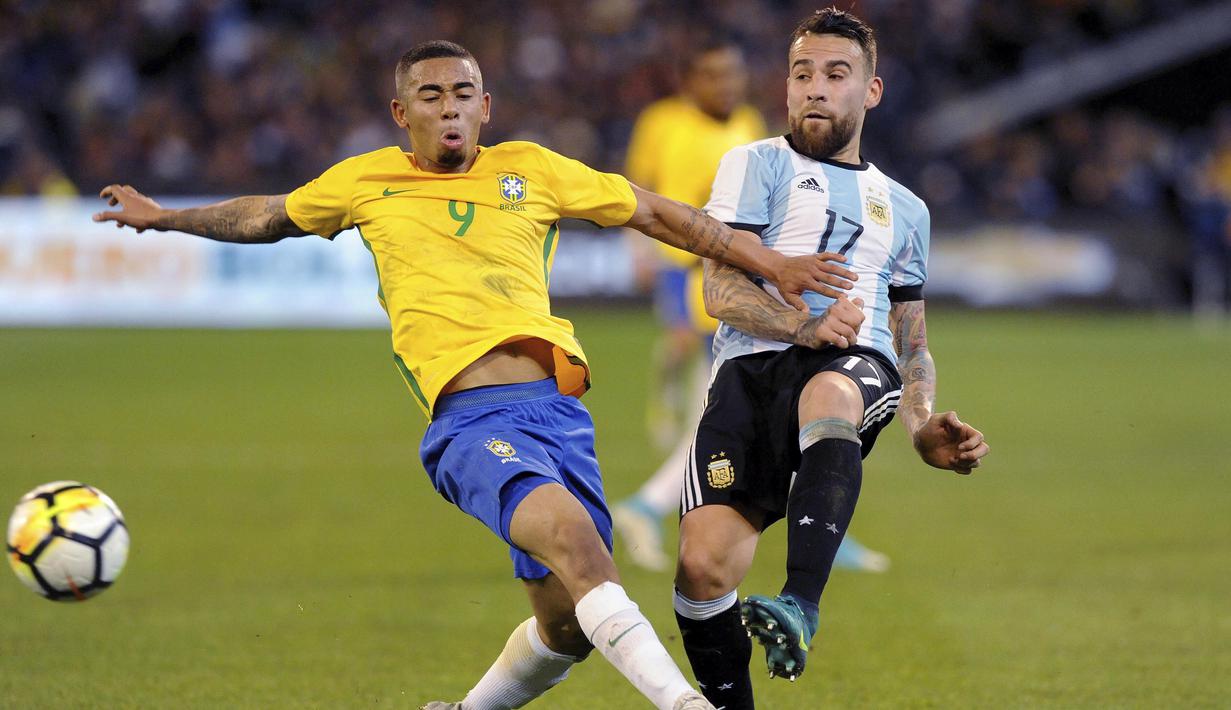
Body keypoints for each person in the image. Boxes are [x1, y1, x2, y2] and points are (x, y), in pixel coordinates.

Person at [91, 40, 857, 710]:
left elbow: (660, 215)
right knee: (582, 552)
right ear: (402, 113)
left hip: (559, 416)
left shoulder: (533, 170)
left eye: (463, 94)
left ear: (486, 106)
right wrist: (165, 219)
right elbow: (267, 217)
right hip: (470, 423)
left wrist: (770, 262)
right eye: (431, 96)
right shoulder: (365, 182)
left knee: (566, 627)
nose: (449, 109)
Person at [669, 10, 990, 709]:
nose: (814, 88)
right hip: (748, 373)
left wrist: (920, 421)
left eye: (835, 75)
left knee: (831, 397)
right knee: (701, 568)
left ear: (870, 91)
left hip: (853, 360)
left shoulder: (904, 209)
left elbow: (910, 336)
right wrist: (798, 324)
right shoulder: (753, 164)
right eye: (801, 73)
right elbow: (720, 291)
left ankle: (800, 605)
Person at [612, 39, 890, 575]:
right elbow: (642, 191)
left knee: (755, 415)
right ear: (690, 80)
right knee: (740, 412)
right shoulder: (663, 122)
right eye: (713, 75)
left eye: (732, 75)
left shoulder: (746, 126)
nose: (726, 86)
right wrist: (641, 255)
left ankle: (818, 518)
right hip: (688, 273)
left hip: (755, 276)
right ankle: (817, 519)